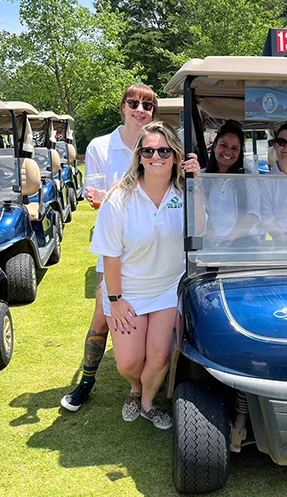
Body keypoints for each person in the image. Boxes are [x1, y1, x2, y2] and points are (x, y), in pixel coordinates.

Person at [90, 121, 203, 429]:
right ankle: (135, 387)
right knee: (128, 362)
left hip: (168, 288)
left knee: (160, 355)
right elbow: (109, 255)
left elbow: (201, 229)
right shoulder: (119, 199)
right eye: (149, 150)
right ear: (139, 155)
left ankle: (148, 402)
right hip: (128, 290)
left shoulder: (184, 192)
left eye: (164, 150)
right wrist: (115, 299)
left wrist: (197, 183)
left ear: (176, 155)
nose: (157, 156)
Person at [60, 83, 157, 412]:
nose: (140, 109)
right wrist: (102, 200)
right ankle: (86, 381)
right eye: (134, 103)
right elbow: (95, 197)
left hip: (152, 247)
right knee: (102, 316)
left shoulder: (157, 145)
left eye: (147, 105)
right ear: (123, 107)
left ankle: (151, 381)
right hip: (116, 247)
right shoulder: (101, 146)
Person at [202, 120, 263, 247]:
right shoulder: (200, 177)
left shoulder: (248, 178)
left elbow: (253, 214)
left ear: (240, 152)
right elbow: (197, 214)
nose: (228, 151)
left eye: (234, 148)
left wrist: (228, 240)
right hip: (208, 242)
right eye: (224, 145)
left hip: (243, 242)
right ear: (214, 147)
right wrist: (213, 239)